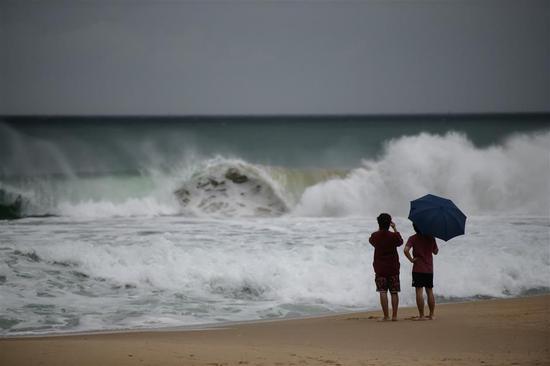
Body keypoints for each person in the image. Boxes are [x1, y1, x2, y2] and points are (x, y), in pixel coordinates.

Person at [369, 213, 403, 321]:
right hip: (393, 267)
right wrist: (395, 228)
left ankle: (386, 316)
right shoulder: (394, 236)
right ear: (390, 223)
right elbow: (400, 242)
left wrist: (379, 229)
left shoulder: (375, 236)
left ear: (379, 223)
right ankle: (394, 316)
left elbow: (371, 241)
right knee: (394, 292)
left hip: (380, 268)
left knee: (382, 291)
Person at [404, 223, 439, 320]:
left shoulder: (413, 238)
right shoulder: (431, 237)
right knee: (429, 291)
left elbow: (406, 250)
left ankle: (422, 315)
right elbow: (435, 252)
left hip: (418, 268)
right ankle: (432, 315)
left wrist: (411, 259)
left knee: (419, 291)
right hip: (429, 269)